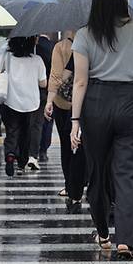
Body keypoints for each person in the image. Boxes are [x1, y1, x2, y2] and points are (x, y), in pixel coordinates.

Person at [70, 0, 133, 260]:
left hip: (96, 103)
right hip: (132, 101)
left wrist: (75, 121)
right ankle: (126, 240)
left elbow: (80, 82)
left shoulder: (85, 34)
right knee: (128, 173)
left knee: (97, 171)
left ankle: (103, 231)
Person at [44, 31, 86, 212]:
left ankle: (71, 185)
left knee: (66, 145)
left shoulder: (61, 47)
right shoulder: (94, 42)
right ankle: (81, 182)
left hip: (63, 103)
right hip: (87, 102)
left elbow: (56, 76)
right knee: (84, 146)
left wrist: (48, 100)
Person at [0, 36, 47, 177]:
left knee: (12, 131)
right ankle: (22, 162)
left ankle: (10, 154)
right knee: (26, 133)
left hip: (10, 101)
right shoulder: (37, 60)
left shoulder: (7, 57)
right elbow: (43, 83)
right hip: (31, 103)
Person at [27, 34, 54, 170]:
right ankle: (43, 150)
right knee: (47, 121)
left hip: (31, 88)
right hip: (48, 88)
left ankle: (32, 150)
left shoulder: (30, 48)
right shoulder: (52, 47)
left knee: (33, 122)